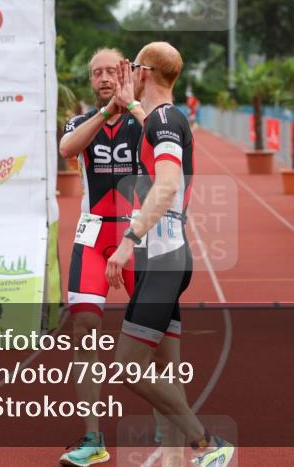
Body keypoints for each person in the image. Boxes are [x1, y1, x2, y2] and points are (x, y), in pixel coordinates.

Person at [106, 41, 235, 467]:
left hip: (161, 258)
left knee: (127, 368)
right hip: (165, 257)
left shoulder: (164, 121)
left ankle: (205, 443)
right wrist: (131, 105)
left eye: (132, 68)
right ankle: (182, 456)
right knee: (164, 369)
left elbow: (166, 185)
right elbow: (156, 132)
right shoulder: (165, 119)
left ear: (144, 72)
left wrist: (128, 240)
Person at [57, 48, 141, 467]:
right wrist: (107, 109)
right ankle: (93, 437)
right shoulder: (82, 122)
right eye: (97, 73)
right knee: (85, 324)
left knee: (153, 336)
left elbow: (170, 147)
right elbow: (67, 147)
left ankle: (170, 427)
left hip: (137, 235)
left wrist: (133, 103)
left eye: (112, 70)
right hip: (93, 236)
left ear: (127, 72)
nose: (105, 77)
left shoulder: (146, 122)